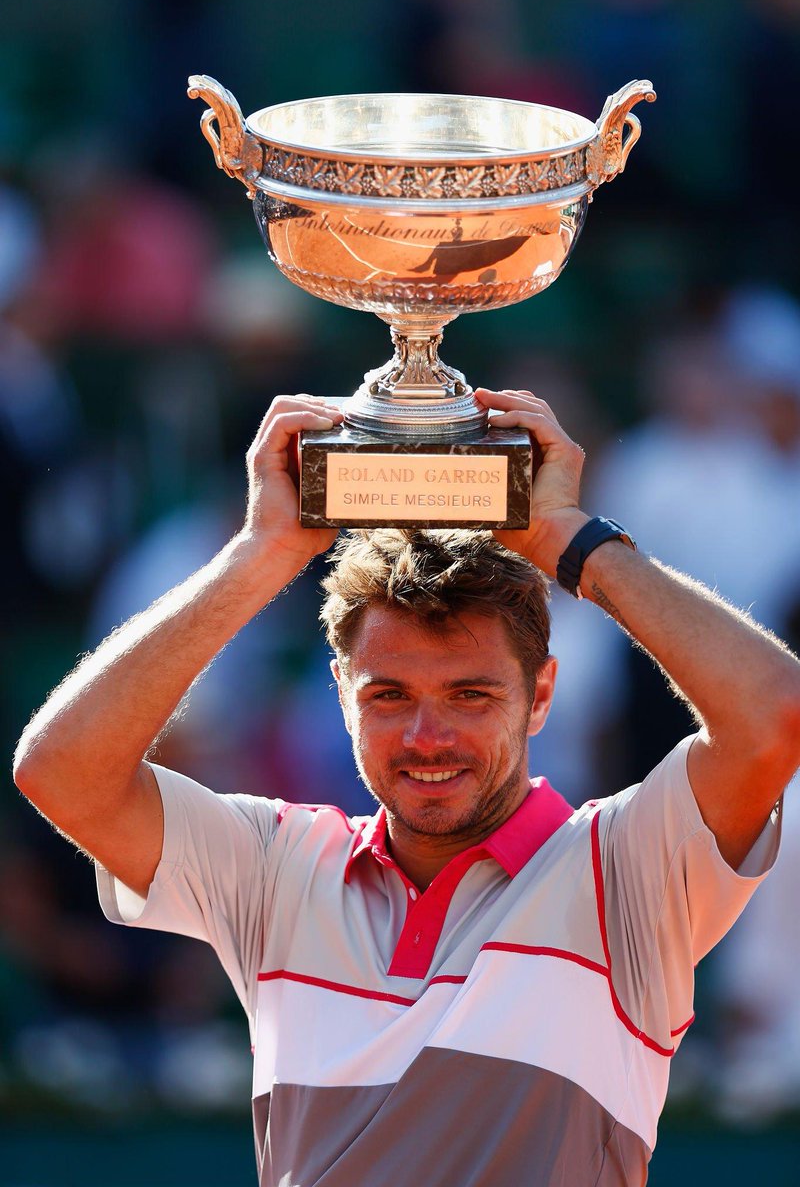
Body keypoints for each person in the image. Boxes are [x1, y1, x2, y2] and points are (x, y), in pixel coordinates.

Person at [13, 388, 800, 1186]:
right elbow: (61, 770)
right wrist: (260, 555)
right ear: (342, 693)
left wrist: (568, 538)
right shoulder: (276, 865)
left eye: (471, 695)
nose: (429, 739)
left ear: (543, 696)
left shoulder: (627, 868)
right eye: (388, 695)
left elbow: (776, 714)